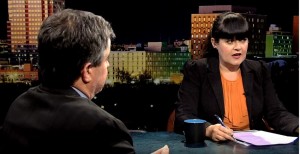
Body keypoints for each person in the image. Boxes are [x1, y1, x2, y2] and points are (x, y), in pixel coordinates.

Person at [0, 9, 169, 154]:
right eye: (106, 58)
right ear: (87, 71)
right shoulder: (103, 127)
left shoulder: (18, 106)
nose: (108, 64)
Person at [174, 12, 299, 142]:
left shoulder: (258, 70)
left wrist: (297, 126)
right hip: (213, 146)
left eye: (242, 40)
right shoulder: (197, 70)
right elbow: (184, 115)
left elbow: (276, 113)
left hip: (253, 146)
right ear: (214, 43)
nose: (238, 47)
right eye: (229, 41)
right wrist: (208, 129)